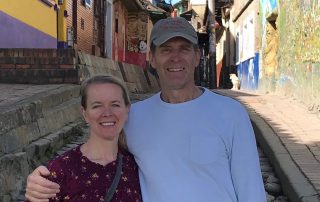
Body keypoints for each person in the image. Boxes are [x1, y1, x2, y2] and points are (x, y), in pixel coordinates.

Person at [25, 17, 266, 202]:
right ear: (151, 58)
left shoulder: (231, 114)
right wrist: (41, 178)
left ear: (197, 57)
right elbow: (97, 154)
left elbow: (251, 190)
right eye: (166, 49)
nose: (175, 57)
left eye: (184, 48)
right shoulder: (134, 117)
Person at [26, 75, 142, 202]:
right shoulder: (63, 169)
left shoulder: (137, 167)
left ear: (127, 110)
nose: (107, 113)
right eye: (97, 106)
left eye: (115, 104)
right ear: (85, 113)